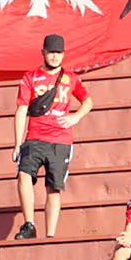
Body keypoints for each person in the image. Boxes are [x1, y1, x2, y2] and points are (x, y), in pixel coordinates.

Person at [10, 32, 90, 241]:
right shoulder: (30, 77)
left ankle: (50, 235)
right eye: (51, 52)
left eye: (58, 53)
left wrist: (76, 117)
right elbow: (21, 110)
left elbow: (88, 101)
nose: (54, 56)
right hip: (34, 137)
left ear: (63, 54)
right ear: (43, 52)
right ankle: (29, 224)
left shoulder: (70, 78)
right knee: (24, 175)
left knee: (54, 188)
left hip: (60, 140)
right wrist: (17, 143)